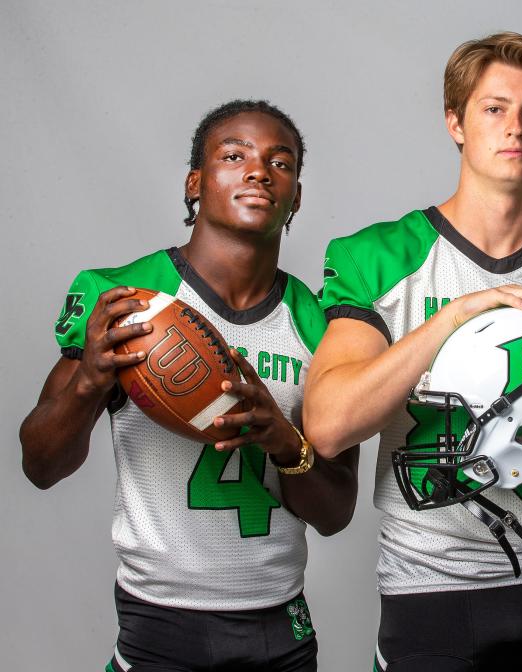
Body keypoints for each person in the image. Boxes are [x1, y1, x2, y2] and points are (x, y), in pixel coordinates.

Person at [304, 32, 522, 671]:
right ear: (455, 122)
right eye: (493, 108)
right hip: (432, 586)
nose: (514, 127)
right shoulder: (379, 259)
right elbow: (327, 424)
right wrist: (457, 315)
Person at [20, 100, 360, 672]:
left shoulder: (323, 324)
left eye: (281, 163)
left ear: (296, 196)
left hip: (281, 625)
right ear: (195, 183)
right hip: (159, 622)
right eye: (234, 156)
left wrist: (281, 439)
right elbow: (40, 465)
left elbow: (336, 513)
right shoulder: (128, 298)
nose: (258, 171)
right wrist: (88, 381)